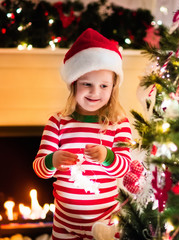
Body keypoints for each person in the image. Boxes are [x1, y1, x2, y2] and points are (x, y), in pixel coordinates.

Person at [33, 28, 132, 240]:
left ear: (113, 88)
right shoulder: (57, 123)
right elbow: (40, 168)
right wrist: (52, 160)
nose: (95, 92)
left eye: (103, 85)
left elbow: (125, 168)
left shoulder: (118, 124)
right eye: (87, 84)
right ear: (74, 84)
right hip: (64, 225)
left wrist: (108, 157)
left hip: (105, 224)